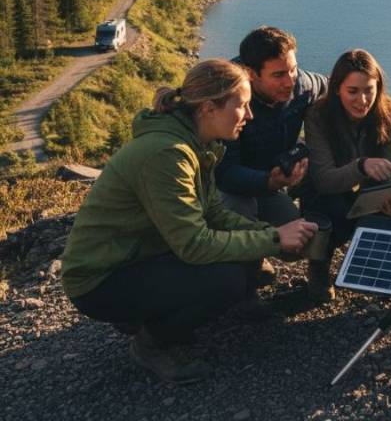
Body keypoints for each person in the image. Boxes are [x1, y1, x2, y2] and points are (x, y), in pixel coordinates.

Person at [61, 59, 318, 384]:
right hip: (100, 277)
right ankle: (152, 343)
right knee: (228, 281)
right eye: (242, 106)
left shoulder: (197, 145)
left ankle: (145, 313)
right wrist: (274, 240)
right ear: (210, 108)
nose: (249, 116)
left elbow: (215, 215)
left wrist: (270, 233)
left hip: (137, 255)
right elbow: (194, 244)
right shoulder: (168, 154)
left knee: (236, 261)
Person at [303, 49, 391, 302]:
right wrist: (361, 167)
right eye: (353, 91)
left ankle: (382, 269)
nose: (362, 100)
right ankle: (318, 266)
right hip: (329, 193)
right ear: (337, 88)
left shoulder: (390, 112)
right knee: (327, 208)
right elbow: (324, 179)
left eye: (369, 90)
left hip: (371, 193)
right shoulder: (318, 116)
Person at [215, 26, 327, 233]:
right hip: (226, 188)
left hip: (269, 182)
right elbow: (225, 173)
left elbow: (332, 86)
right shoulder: (227, 100)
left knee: (299, 240)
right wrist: (270, 181)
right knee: (240, 221)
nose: (289, 82)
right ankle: (245, 261)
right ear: (250, 73)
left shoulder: (302, 85)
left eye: (293, 69)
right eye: (278, 75)